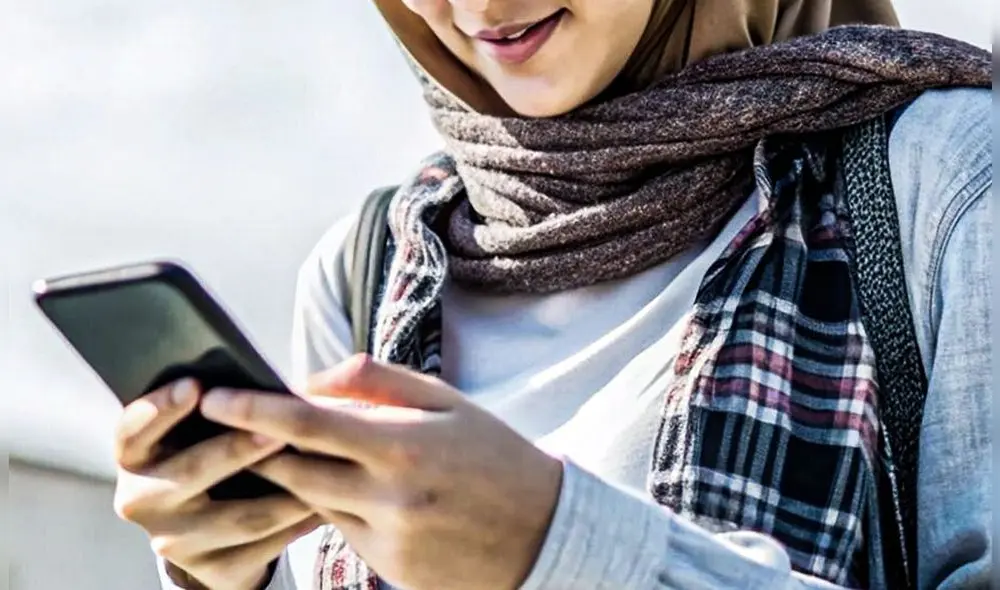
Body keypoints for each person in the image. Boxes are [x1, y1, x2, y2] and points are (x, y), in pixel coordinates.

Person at [112, 1, 991, 589]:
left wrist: (557, 546)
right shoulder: (369, 268)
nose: (480, 5)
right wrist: (228, 571)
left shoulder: (947, 185)